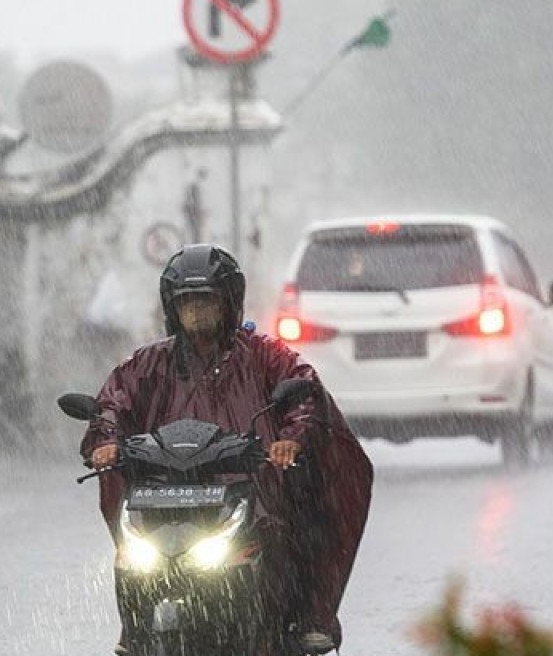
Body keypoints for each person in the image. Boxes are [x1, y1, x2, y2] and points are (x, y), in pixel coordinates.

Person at [79, 243, 374, 655]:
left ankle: (308, 613)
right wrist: (106, 440)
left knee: (302, 520)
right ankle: (136, 626)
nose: (197, 312)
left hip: (250, 491)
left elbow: (303, 391)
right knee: (132, 553)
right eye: (188, 303)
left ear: (228, 304)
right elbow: (112, 402)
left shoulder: (266, 356)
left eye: (206, 302)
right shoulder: (148, 363)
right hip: (165, 494)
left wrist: (291, 438)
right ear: (173, 308)